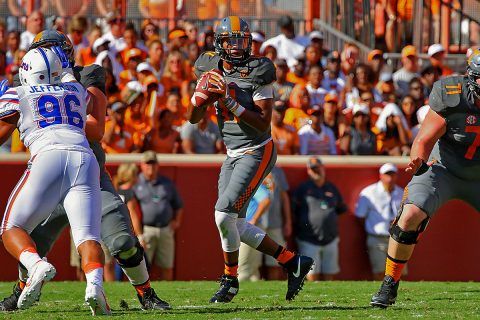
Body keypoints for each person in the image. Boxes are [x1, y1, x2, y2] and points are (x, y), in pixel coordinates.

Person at [0, 30, 171, 312]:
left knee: (122, 241)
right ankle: (21, 292)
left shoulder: (86, 76)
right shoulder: (34, 84)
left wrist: (50, 118)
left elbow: (98, 129)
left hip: (83, 170)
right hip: (73, 167)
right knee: (37, 240)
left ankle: (146, 293)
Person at [189, 16, 314, 303]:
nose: (236, 46)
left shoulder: (258, 70)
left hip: (257, 149)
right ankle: (292, 261)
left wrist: (229, 101)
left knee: (223, 214)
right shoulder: (209, 66)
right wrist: (199, 100)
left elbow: (262, 122)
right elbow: (194, 119)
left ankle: (230, 280)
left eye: (241, 40)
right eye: (230, 41)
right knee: (233, 222)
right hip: (232, 153)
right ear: (219, 44)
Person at [0, 47, 110, 314]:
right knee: (88, 236)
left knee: (10, 227)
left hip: (48, 157)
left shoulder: (19, 93)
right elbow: (92, 106)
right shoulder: (75, 91)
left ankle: (36, 265)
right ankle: (94, 286)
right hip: (85, 159)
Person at [370, 49, 480, 308]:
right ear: (472, 79)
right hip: (444, 168)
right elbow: (424, 139)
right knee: (409, 217)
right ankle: (390, 283)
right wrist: (418, 159)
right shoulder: (452, 95)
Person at [291, 157, 348, 281]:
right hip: (308, 239)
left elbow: (341, 208)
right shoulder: (302, 189)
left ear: (323, 168)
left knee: (330, 274)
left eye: (318, 168)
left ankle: (328, 299)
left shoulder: (332, 188)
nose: (316, 171)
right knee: (311, 275)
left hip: (330, 239)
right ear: (308, 171)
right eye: (313, 169)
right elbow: (293, 210)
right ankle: (314, 300)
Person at [134, 151, 184, 280]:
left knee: (167, 266)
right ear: (142, 165)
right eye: (147, 163)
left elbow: (178, 205)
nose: (150, 166)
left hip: (165, 229)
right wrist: (138, 233)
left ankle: (168, 294)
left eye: (153, 163)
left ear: (158, 165)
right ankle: (144, 293)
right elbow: (131, 209)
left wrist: (176, 221)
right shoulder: (136, 182)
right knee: (142, 266)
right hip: (145, 230)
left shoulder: (166, 183)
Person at [355, 163, 404, 280]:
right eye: (387, 175)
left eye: (392, 175)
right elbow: (360, 216)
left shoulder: (402, 193)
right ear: (381, 176)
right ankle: (381, 296)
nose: (390, 178)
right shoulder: (369, 192)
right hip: (377, 238)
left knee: (398, 272)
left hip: (397, 238)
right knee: (379, 271)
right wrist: (374, 227)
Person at [238, 177, 272, 281]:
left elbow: (265, 200)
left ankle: (234, 294)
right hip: (253, 227)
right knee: (252, 270)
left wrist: (254, 219)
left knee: (242, 267)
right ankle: (252, 294)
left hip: (250, 227)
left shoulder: (252, 184)